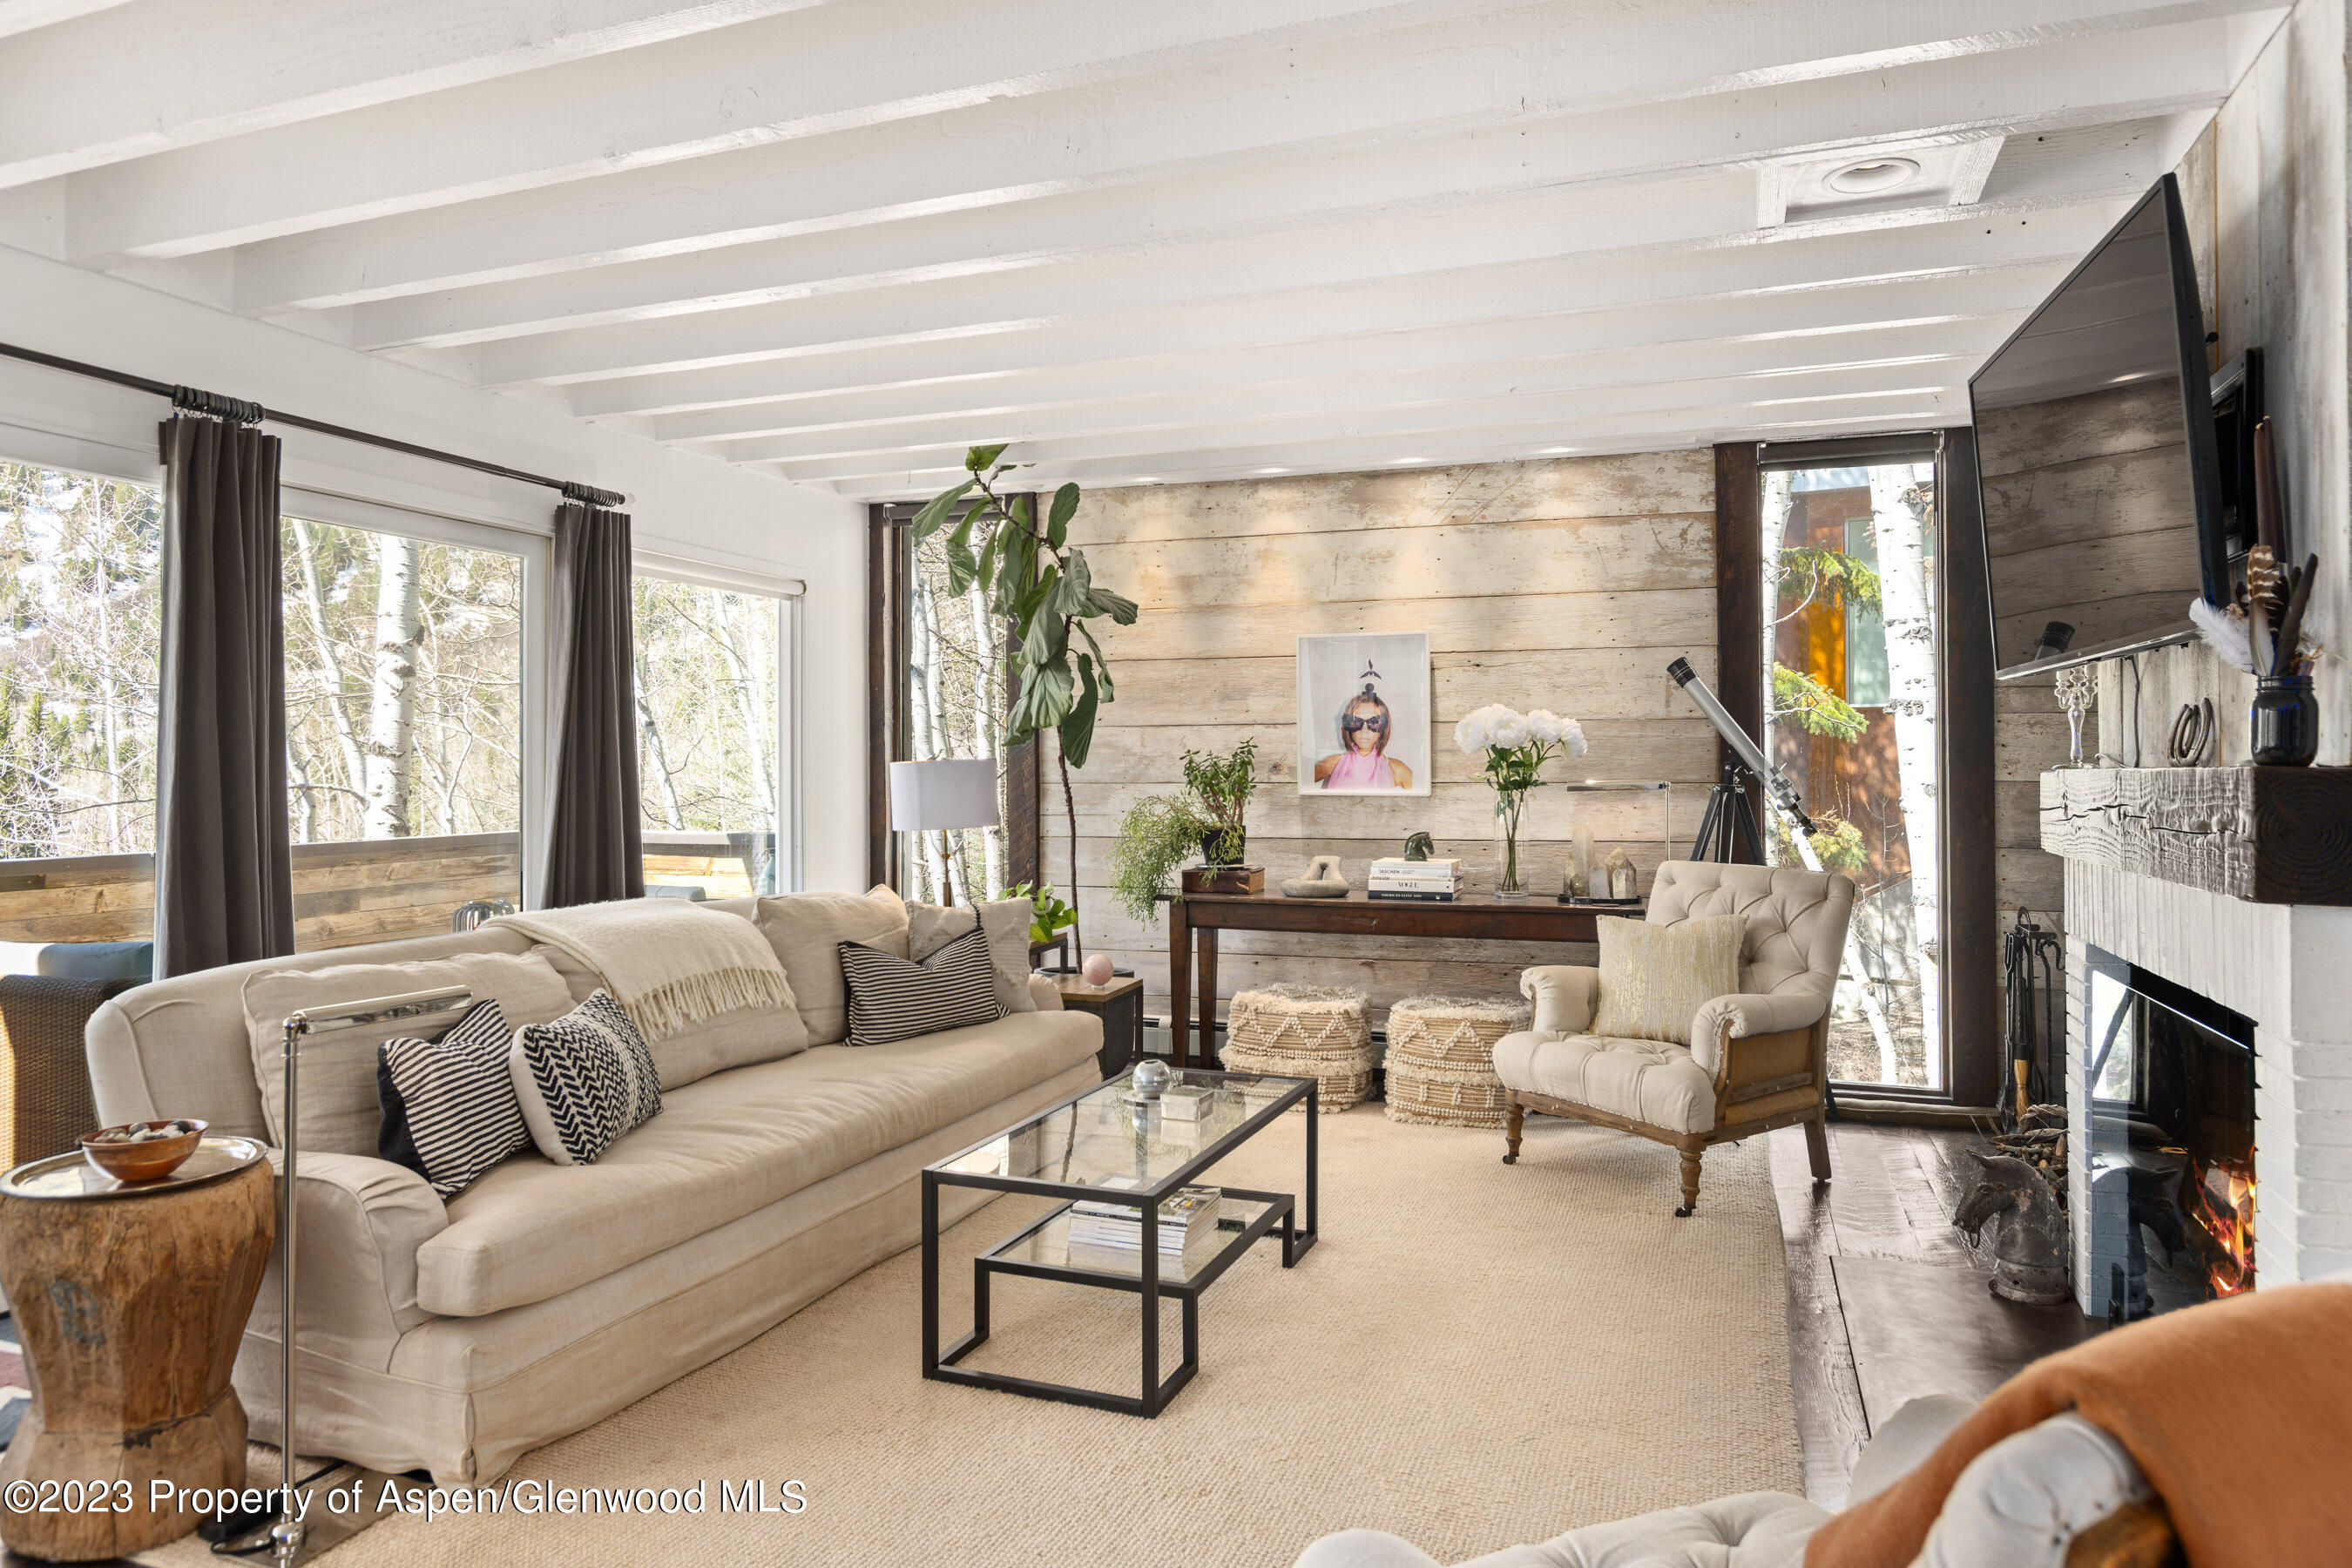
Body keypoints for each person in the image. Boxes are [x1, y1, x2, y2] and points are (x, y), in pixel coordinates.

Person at [1315, 682, 1412, 789]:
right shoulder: (1333, 763)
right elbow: (1301, 781)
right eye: (1356, 721)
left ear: (1383, 727)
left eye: (1374, 722)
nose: (1364, 729)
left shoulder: (1396, 769)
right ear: (1348, 725)